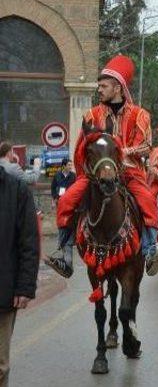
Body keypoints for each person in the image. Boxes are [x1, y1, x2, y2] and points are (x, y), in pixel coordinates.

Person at [48, 54, 158, 278]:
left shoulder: (141, 115)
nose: (99, 90)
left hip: (129, 171)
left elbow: (145, 146)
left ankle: (151, 250)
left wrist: (119, 153)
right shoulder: (91, 115)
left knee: (148, 200)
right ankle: (65, 256)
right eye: (99, 86)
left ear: (118, 87)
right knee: (66, 200)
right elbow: (81, 147)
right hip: (95, 173)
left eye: (103, 86)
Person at [0, 164, 40, 387]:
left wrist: (25, 286)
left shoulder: (17, 190)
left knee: (0, 366)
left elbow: (29, 241)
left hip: (2, 291)